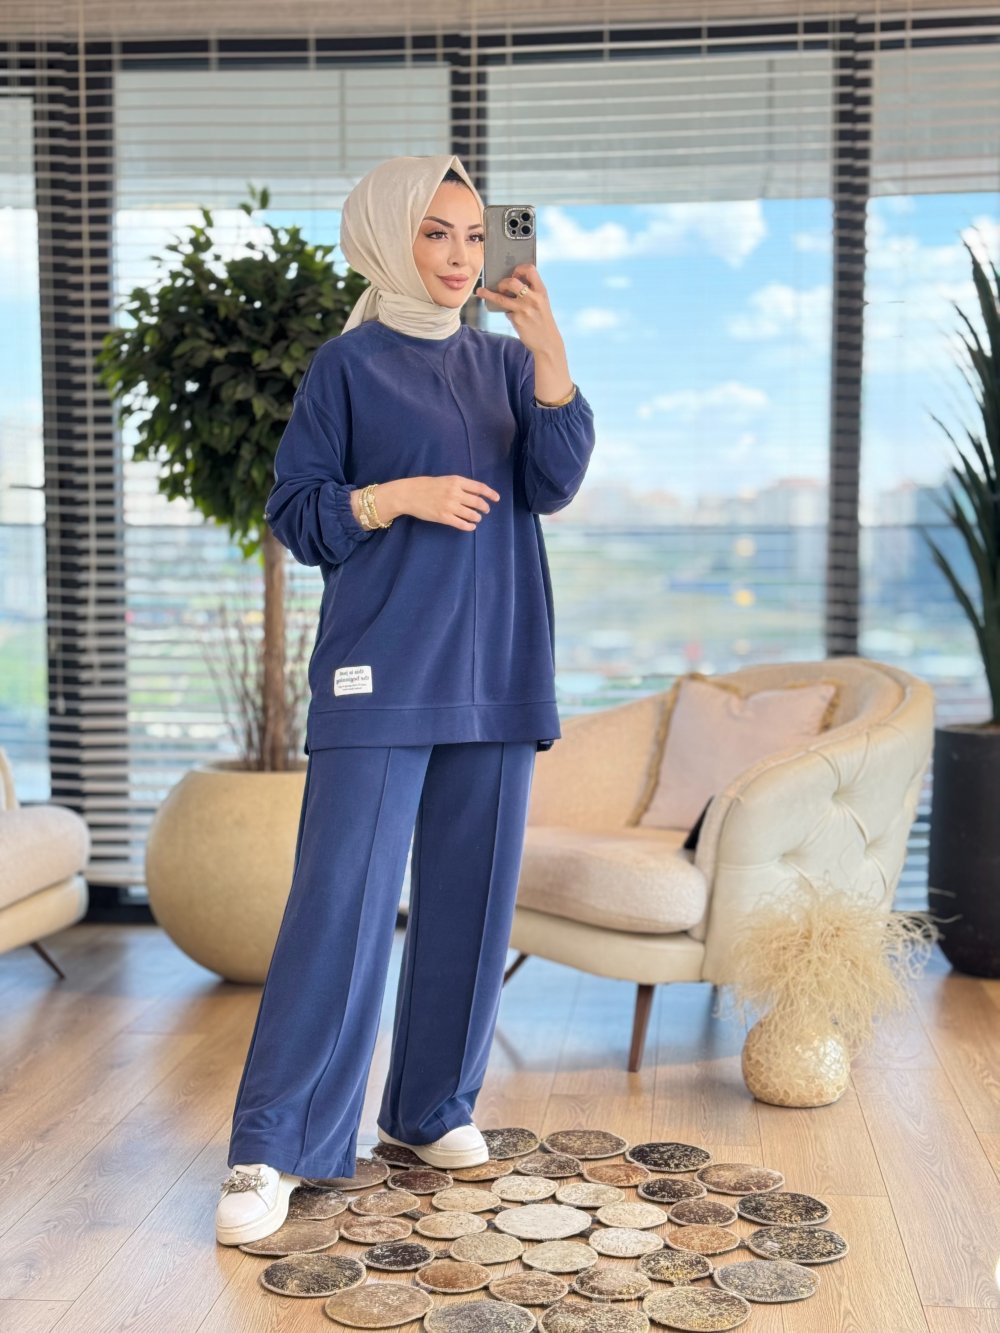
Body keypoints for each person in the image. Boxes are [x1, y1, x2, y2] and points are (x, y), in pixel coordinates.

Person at [215, 153, 596, 1247]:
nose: (462, 257)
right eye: (437, 233)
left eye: (475, 235)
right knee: (338, 906)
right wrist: (396, 498)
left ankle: (431, 1108)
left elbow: (554, 481)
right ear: (389, 237)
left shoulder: (508, 363)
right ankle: (274, 1143)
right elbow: (299, 514)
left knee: (472, 904)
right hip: (379, 670)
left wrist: (549, 348)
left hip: (498, 666)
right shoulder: (346, 367)